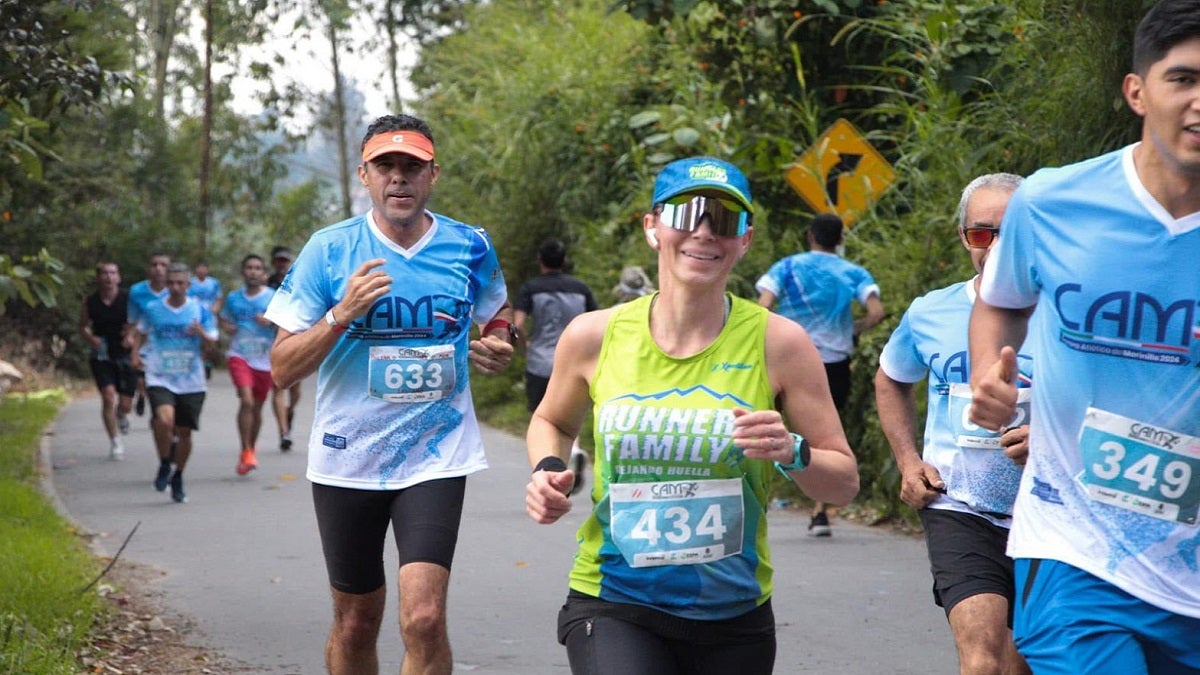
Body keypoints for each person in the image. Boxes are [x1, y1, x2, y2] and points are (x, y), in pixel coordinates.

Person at [525, 156, 859, 675]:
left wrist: (791, 451)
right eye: (687, 213)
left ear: (744, 241)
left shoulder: (780, 342)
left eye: (725, 221)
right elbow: (553, 421)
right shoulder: (594, 335)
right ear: (653, 227)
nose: (705, 232)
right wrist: (548, 469)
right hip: (613, 596)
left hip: (733, 611)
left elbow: (842, 484)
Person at [968, 2, 1200, 672]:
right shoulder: (1049, 202)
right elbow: (999, 305)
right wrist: (991, 372)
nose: (1198, 101)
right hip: (1078, 546)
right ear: (1137, 91)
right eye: (1182, 79)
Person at [265, 113, 516, 675]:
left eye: (412, 167)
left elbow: (498, 312)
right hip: (346, 457)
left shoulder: (470, 245)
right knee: (356, 621)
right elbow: (281, 368)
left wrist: (501, 340)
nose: (399, 178)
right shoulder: (329, 251)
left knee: (423, 618)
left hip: (435, 454)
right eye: (386, 166)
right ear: (364, 175)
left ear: (433, 175)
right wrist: (340, 315)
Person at [875, 174, 1032, 675]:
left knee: (1022, 662)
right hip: (960, 506)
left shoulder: (1070, 312)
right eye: (981, 234)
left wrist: (1052, 439)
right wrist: (907, 460)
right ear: (964, 237)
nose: (995, 247)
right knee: (982, 659)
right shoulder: (930, 311)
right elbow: (891, 378)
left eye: (1011, 232)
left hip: (1050, 514)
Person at [756, 212, 884, 536]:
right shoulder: (854, 272)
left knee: (764, 428)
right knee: (828, 437)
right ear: (840, 239)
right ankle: (820, 511)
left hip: (785, 360)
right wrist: (853, 330)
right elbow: (876, 312)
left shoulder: (786, 267)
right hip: (833, 361)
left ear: (811, 236)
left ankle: (759, 496)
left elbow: (763, 306)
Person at [513, 237, 598, 494]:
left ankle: (553, 467)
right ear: (564, 261)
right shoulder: (580, 289)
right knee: (571, 415)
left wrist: (526, 347)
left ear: (540, 261)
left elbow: (517, 324)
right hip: (576, 361)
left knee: (545, 418)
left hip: (540, 360)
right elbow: (595, 321)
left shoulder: (531, 288)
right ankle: (575, 449)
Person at [129, 262, 219, 504]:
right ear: (166, 285)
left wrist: (201, 334)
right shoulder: (153, 308)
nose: (175, 287)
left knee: (184, 432)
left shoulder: (200, 310)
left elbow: (213, 342)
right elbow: (141, 332)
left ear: (188, 286)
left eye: (180, 283)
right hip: (160, 375)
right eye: (171, 283)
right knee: (164, 420)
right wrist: (135, 354)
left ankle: (178, 474)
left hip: (191, 379)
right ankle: (164, 461)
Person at [218, 254, 276, 476]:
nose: (253, 271)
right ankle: (245, 450)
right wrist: (227, 327)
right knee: (247, 400)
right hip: (239, 355)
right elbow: (223, 318)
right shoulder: (233, 298)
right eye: (249, 268)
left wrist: (270, 321)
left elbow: (286, 321)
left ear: (263, 273)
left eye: (257, 268)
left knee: (258, 406)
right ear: (243, 272)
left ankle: (251, 446)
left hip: (264, 358)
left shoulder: (273, 297)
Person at [79, 261, 135, 460]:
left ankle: (121, 415)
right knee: (108, 396)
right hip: (102, 354)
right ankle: (115, 441)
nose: (109, 277)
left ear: (118, 277)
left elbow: (140, 321)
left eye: (113, 273)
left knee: (126, 404)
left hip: (126, 353)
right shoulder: (90, 302)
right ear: (98, 278)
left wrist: (131, 334)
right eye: (104, 273)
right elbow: (83, 326)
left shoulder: (129, 298)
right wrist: (90, 338)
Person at [126, 252, 171, 418]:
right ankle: (146, 397)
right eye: (154, 265)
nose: (158, 269)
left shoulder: (175, 290)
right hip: (143, 342)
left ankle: (159, 411)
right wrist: (129, 336)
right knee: (143, 378)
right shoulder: (137, 291)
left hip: (167, 344)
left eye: (163, 265)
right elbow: (132, 318)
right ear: (148, 269)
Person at [268, 245, 301, 450]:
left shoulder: (298, 281)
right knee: (278, 385)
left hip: (295, 338)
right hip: (271, 342)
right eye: (278, 260)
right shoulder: (266, 284)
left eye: (285, 260)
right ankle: (284, 431)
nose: (282, 264)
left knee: (295, 388)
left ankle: (289, 413)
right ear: (273, 262)